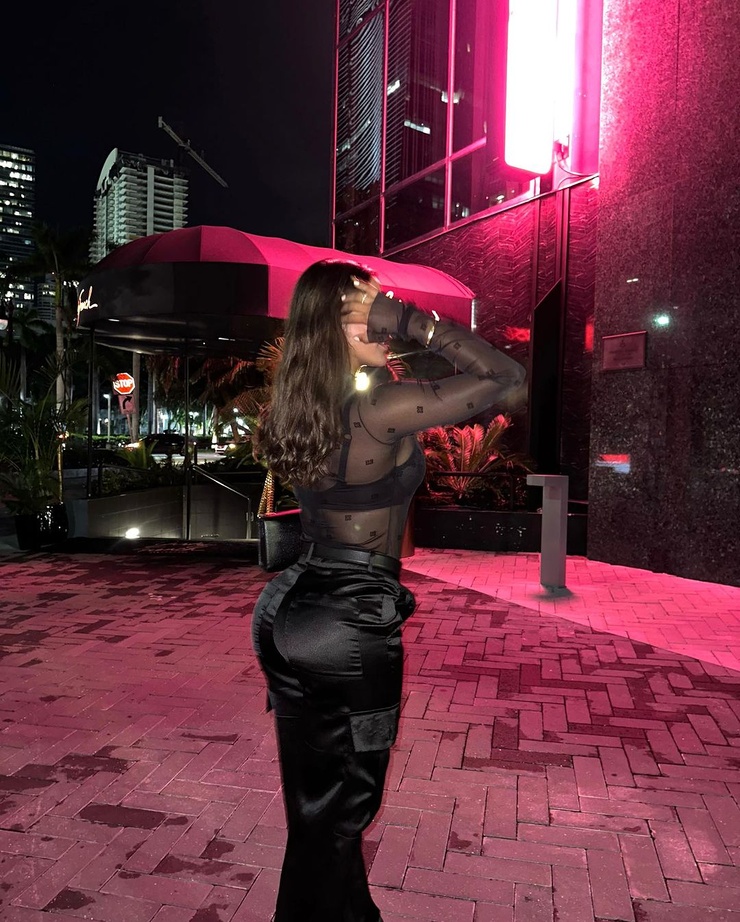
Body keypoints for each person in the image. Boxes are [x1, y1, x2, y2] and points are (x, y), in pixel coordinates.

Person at [252, 260, 526, 922]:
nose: (383, 321)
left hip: (288, 610)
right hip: (347, 623)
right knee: (344, 808)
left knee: (316, 808)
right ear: (334, 326)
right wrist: (408, 320)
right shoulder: (375, 410)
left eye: (386, 309)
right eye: (368, 312)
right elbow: (506, 379)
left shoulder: (303, 407)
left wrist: (377, 324)